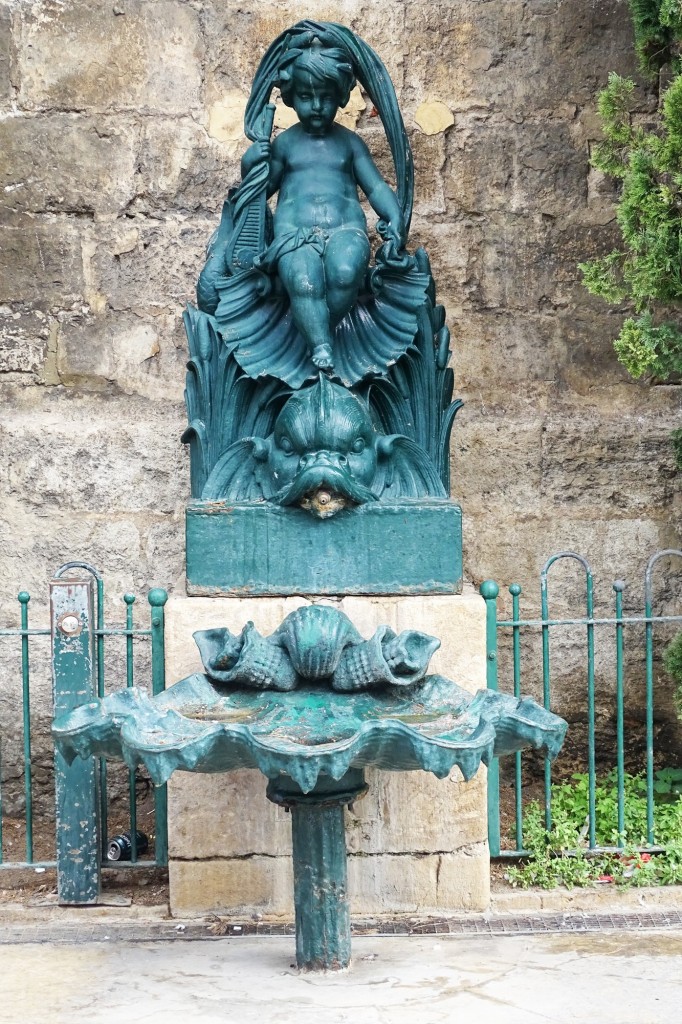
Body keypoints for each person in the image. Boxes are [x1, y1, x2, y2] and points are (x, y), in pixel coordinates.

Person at [240, 38, 406, 372]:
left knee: (346, 273)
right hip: (294, 235)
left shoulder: (349, 144)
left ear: (342, 97)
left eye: (326, 97)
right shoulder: (285, 144)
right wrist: (250, 164)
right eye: (305, 96)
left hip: (345, 230)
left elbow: (374, 186)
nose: (316, 106)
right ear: (290, 98)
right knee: (303, 281)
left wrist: (395, 219)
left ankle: (316, 327)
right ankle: (321, 345)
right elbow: (258, 190)